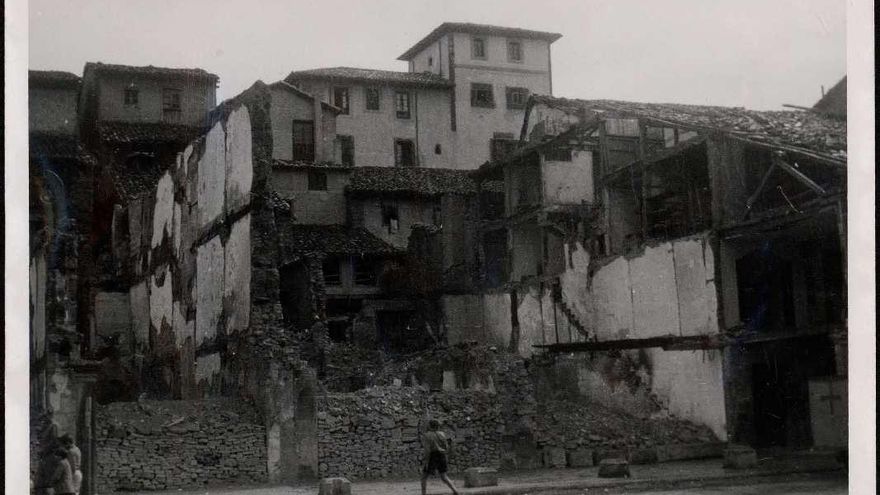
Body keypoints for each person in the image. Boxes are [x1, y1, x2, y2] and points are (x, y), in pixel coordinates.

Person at [420, 418, 459, 495]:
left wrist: (426, 461)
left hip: (432, 456)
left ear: (430, 426)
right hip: (442, 455)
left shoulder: (427, 435)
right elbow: (446, 447)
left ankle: (423, 494)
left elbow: (427, 450)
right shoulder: (442, 434)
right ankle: (455, 491)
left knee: (424, 477)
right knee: (444, 476)